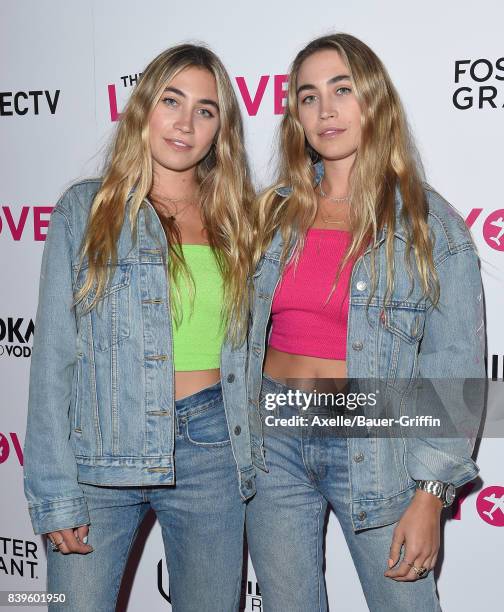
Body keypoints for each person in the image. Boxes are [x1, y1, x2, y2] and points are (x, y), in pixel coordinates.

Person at [245, 33, 485, 611]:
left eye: (342, 90)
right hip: (272, 432)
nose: (325, 110)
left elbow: (454, 369)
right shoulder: (269, 214)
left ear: (373, 101)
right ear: (295, 115)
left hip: (373, 437)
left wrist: (432, 492)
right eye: (308, 96)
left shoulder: (431, 226)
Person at [23, 43, 255, 611]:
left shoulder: (242, 219)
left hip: (213, 451)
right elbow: (54, 359)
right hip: (103, 454)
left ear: (220, 128)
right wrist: (54, 493)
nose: (185, 122)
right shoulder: (87, 210)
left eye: (205, 109)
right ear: (142, 109)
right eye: (171, 100)